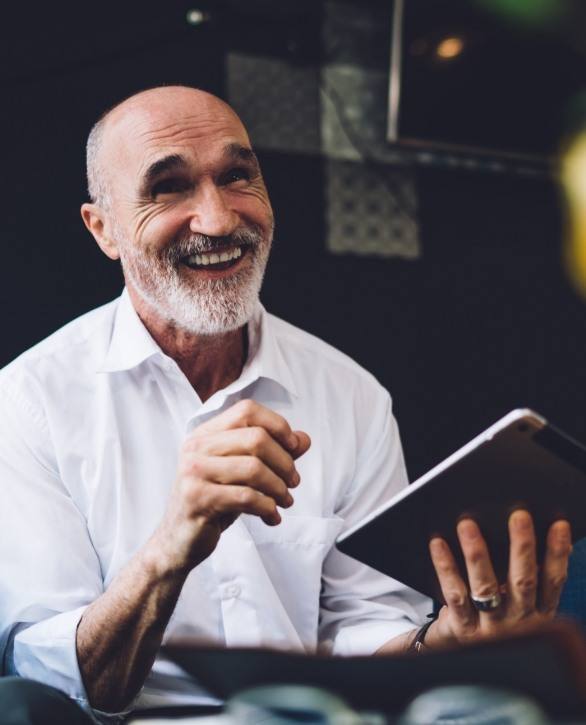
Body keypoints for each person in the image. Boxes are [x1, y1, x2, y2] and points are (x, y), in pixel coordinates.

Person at [0, 86, 572, 721]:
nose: (217, 219)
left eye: (238, 176)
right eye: (168, 188)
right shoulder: (28, 402)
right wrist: (170, 548)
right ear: (103, 229)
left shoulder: (350, 393)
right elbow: (45, 682)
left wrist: (444, 643)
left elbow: (365, 625)